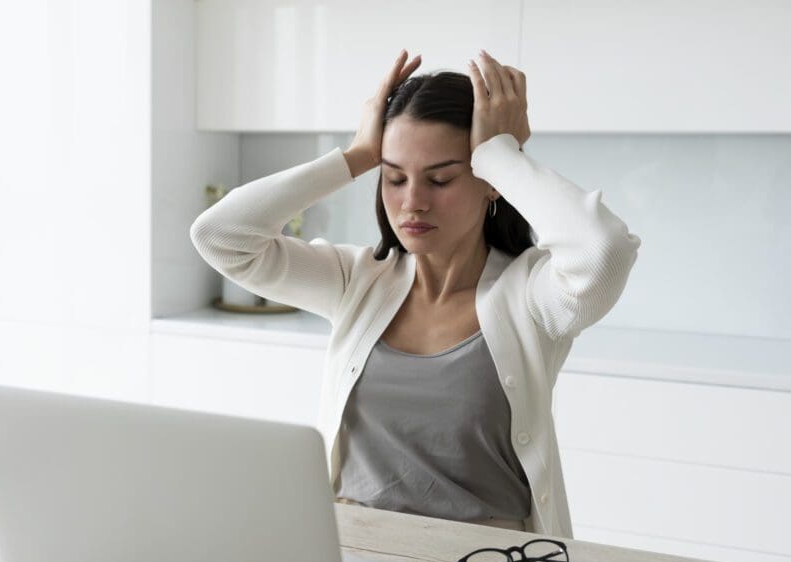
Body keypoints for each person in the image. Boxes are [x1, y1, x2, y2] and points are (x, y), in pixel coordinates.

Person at [190, 49, 641, 537]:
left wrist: (500, 156)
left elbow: (604, 251)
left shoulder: (531, 297)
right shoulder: (357, 281)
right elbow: (220, 236)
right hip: (351, 558)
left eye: (441, 178)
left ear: (490, 184)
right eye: (394, 177)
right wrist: (357, 156)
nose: (412, 203)